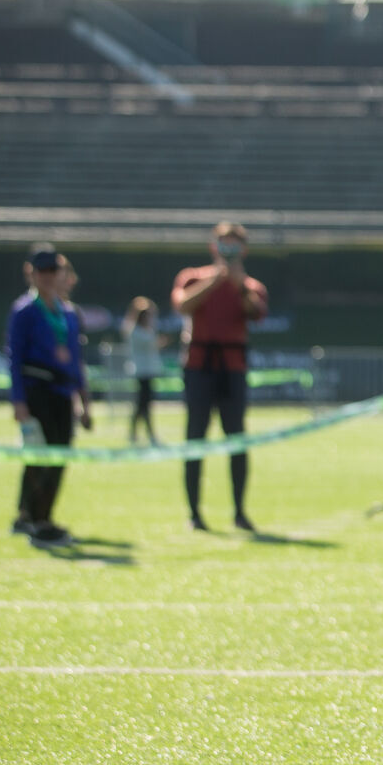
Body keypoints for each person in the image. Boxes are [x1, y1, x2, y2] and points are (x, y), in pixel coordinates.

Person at [171, 221, 268, 532]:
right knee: (195, 438)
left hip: (233, 369)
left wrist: (237, 284)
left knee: (236, 439)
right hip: (199, 367)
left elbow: (257, 313)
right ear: (214, 248)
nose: (228, 252)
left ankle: (239, 511)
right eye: (223, 245)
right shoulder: (192, 277)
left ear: (244, 250)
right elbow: (183, 305)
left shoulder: (251, 286)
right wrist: (215, 281)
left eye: (234, 246)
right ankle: (194, 513)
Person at [6, 244, 91, 546]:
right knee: (39, 456)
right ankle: (34, 518)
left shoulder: (67, 313)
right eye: (42, 270)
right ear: (32, 273)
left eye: (53, 270)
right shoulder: (24, 311)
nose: (47, 276)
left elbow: (76, 360)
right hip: (36, 391)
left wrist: (83, 401)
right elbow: (14, 358)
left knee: (59, 456)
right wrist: (18, 400)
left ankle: (40, 516)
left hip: (61, 392)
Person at [122, 297, 166, 446]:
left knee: (142, 405)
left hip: (148, 371)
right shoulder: (136, 331)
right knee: (143, 405)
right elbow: (151, 343)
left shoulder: (144, 330)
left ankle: (135, 434)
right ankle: (146, 434)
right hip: (142, 372)